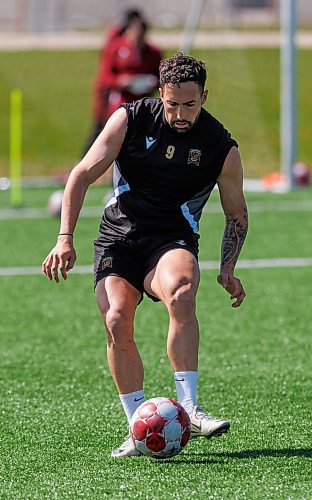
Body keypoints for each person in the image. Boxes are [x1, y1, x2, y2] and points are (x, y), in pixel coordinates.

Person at [43, 52, 248, 458]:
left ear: (204, 97)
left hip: (171, 239)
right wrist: (64, 237)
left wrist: (228, 268)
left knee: (183, 292)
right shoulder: (131, 119)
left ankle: (188, 404)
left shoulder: (220, 147)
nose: (180, 114)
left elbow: (236, 213)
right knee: (117, 319)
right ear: (161, 93)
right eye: (172, 104)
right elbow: (82, 174)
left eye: (190, 104)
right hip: (118, 237)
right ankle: (138, 425)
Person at [83, 8, 162, 155]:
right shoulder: (115, 48)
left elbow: (160, 77)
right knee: (110, 137)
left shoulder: (153, 52)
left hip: (144, 103)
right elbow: (105, 77)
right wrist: (121, 82)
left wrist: (152, 83)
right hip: (119, 103)